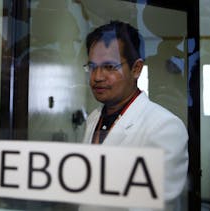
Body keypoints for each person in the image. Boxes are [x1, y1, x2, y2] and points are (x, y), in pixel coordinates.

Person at [80, 20, 188, 211]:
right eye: (92, 66)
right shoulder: (93, 119)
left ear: (136, 69)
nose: (97, 77)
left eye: (109, 67)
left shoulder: (165, 128)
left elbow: (154, 206)